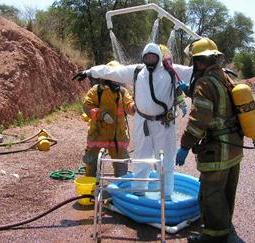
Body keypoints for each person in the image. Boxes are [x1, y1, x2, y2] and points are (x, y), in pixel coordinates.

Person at [73, 43, 192, 199]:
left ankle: (166, 195)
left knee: (166, 161)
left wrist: (217, 71)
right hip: (142, 123)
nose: (149, 60)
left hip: (164, 125)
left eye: (153, 57)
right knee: (141, 159)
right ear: (143, 58)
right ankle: (138, 192)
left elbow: (193, 72)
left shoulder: (170, 70)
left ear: (159, 57)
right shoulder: (137, 71)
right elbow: (112, 71)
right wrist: (89, 72)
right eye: (146, 57)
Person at [176, 38, 243, 243]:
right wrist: (189, 89)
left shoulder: (205, 82)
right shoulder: (225, 77)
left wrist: (185, 146)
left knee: (211, 193)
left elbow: (199, 121)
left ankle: (213, 237)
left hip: (217, 150)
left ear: (197, 61)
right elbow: (218, 100)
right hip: (234, 148)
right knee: (226, 191)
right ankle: (224, 228)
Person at [75, 61, 135, 178]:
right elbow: (87, 106)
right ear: (107, 77)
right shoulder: (96, 91)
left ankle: (120, 189)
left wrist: (135, 107)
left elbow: (129, 106)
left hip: (118, 137)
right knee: (91, 162)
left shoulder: (122, 92)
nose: (117, 80)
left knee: (121, 165)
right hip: (97, 134)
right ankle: (91, 189)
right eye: (114, 77)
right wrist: (101, 115)